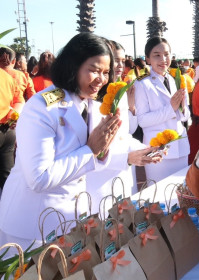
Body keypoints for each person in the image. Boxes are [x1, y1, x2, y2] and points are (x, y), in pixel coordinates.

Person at [0, 33, 149, 252]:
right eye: (94, 70)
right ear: (73, 66)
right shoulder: (41, 107)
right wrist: (91, 150)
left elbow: (103, 150)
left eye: (106, 72)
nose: (101, 78)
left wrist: (134, 149)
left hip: (69, 221)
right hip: (30, 227)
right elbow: (39, 178)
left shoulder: (91, 106)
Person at [86, 40, 158, 211]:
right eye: (115, 60)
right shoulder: (91, 97)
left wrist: (147, 149)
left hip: (124, 176)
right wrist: (126, 158)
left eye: (122, 60)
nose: (119, 65)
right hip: (100, 182)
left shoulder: (121, 89)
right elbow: (93, 149)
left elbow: (126, 133)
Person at [134, 37, 190, 183]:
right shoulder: (142, 84)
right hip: (159, 151)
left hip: (181, 146)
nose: (163, 59)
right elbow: (143, 120)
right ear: (147, 59)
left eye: (166, 54)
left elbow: (185, 117)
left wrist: (183, 109)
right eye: (156, 55)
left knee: (180, 193)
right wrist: (171, 108)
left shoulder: (175, 79)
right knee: (159, 198)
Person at [0, 67, 24, 196]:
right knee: (7, 178)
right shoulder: (8, 77)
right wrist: (14, 115)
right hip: (8, 131)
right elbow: (19, 101)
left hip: (8, 129)